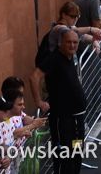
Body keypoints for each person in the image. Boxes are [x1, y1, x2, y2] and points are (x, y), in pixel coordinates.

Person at [30, 29, 87, 174]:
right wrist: (38, 101)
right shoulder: (54, 58)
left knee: (77, 152)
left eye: (75, 42)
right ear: (61, 42)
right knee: (64, 156)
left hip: (77, 119)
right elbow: (34, 77)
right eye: (69, 42)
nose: (72, 45)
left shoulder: (69, 58)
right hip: (63, 119)